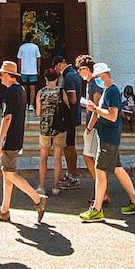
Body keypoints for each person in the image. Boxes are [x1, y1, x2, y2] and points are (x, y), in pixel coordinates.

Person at [79, 62, 135, 222]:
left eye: (98, 77)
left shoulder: (112, 91)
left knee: (100, 172)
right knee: (118, 170)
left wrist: (94, 108)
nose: (97, 80)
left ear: (105, 75)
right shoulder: (108, 91)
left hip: (108, 139)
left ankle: (97, 209)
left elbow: (113, 115)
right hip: (108, 137)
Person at [0, 60, 47, 223]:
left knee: (9, 173)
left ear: (8, 75)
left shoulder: (10, 92)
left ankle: (37, 199)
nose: (0, 77)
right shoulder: (20, 90)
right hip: (17, 136)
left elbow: (7, 118)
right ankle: (4, 209)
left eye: (2, 74)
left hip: (10, 138)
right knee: (7, 173)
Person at [75, 54, 106, 203]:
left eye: (80, 69)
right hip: (94, 125)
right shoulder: (91, 83)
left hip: (95, 127)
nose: (79, 72)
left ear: (86, 69)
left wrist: (88, 128)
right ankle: (101, 191)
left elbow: (96, 107)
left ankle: (102, 192)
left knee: (89, 158)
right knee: (92, 159)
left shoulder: (94, 83)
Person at [35, 67, 69, 196]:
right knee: (57, 158)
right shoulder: (61, 91)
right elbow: (67, 107)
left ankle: (41, 186)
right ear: (57, 79)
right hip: (59, 127)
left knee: (43, 158)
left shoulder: (41, 92)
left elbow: (38, 112)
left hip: (45, 127)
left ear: (45, 78)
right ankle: (55, 187)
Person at [54, 55, 82, 188]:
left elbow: (72, 99)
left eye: (56, 67)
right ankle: (71, 173)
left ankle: (73, 176)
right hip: (72, 115)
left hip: (69, 116)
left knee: (69, 146)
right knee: (68, 145)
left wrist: (61, 96)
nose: (56, 70)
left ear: (60, 64)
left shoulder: (69, 76)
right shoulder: (73, 74)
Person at [17, 32, 42, 111]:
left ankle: (25, 103)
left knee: (24, 87)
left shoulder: (22, 47)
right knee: (32, 87)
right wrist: (38, 68)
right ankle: (31, 105)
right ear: (32, 38)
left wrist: (19, 69)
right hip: (33, 70)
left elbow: (19, 59)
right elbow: (38, 58)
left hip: (24, 70)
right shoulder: (35, 47)